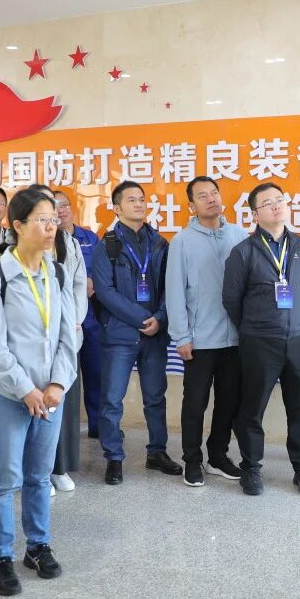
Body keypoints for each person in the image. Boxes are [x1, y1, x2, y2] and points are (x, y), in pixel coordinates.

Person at [0, 189, 78, 596]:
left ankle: (38, 546)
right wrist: (26, 389)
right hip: (9, 395)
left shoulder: (58, 273)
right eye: (41, 220)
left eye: (53, 219)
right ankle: (0, 558)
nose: (51, 227)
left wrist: (58, 383)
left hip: (50, 396)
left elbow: (69, 335)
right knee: (5, 479)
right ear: (17, 226)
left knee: (38, 475)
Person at [222, 182, 300, 496]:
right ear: (255, 214)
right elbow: (231, 300)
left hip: (299, 339)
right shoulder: (243, 252)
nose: (277, 205)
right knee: (252, 408)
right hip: (259, 341)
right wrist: (255, 325)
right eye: (268, 202)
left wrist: (296, 322)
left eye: (280, 199)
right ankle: (251, 467)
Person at [90, 180, 181, 484]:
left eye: (142, 199)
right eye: (131, 200)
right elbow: (105, 291)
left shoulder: (160, 243)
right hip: (120, 334)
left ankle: (157, 452)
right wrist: (143, 318)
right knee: (112, 400)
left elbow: (170, 286)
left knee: (155, 397)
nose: (139, 204)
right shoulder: (107, 245)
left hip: (154, 334)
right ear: (117, 208)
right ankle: (114, 457)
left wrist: (161, 318)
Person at [166, 176, 248, 486]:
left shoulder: (239, 235)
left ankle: (217, 456)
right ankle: (192, 459)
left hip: (235, 339)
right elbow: (175, 292)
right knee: (195, 403)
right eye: (203, 196)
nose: (211, 199)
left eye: (214, 193)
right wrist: (181, 336)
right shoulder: (182, 241)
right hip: (199, 340)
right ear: (192, 206)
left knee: (228, 401)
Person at [46, 189, 89, 493]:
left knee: (65, 403)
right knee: (40, 405)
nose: (56, 214)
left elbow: (79, 285)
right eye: (50, 209)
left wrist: (76, 319)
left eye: (61, 207)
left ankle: (60, 468)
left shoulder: (70, 242)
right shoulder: (16, 246)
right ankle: (39, 470)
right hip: (38, 337)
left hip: (69, 333)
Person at [54, 189, 104, 440]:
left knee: (96, 372)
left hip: (91, 316)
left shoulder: (89, 237)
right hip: (61, 317)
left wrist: (93, 280)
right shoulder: (48, 241)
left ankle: (98, 424)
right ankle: (65, 429)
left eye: (64, 205)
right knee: (63, 374)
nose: (61, 210)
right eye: (55, 206)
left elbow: (103, 269)